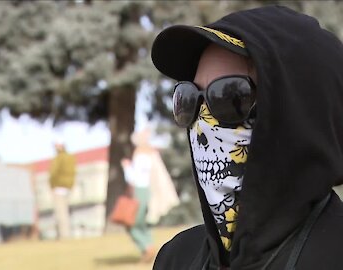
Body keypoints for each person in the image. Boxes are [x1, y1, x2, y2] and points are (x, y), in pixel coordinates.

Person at [150, 5, 343, 269]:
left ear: (300, 114)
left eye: (230, 97)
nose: (202, 125)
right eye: (189, 98)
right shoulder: (177, 257)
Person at [121, 128, 179, 263]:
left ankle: (147, 247)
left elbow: (134, 177)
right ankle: (148, 248)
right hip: (147, 191)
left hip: (139, 190)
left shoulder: (140, 154)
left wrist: (126, 167)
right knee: (143, 222)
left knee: (133, 224)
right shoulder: (152, 153)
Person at [48, 139, 76, 239]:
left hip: (58, 188)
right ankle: (66, 234)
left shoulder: (58, 158)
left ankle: (64, 235)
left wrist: (52, 185)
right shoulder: (71, 158)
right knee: (65, 212)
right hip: (67, 188)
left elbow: (53, 173)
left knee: (60, 213)